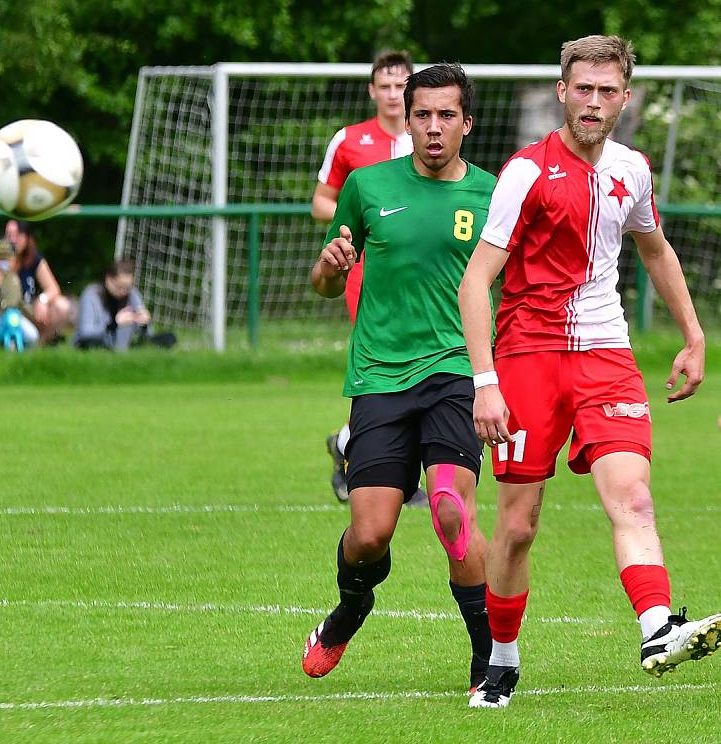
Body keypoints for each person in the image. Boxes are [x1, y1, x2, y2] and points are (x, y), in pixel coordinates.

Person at [458, 35, 721, 709]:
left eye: (607, 91)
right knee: (516, 528)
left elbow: (655, 250)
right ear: (561, 92)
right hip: (526, 360)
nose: (593, 102)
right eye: (583, 89)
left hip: (606, 356)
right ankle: (502, 660)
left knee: (631, 497)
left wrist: (693, 336)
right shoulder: (524, 172)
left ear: (624, 100)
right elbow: (476, 281)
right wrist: (485, 381)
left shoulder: (632, 169)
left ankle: (655, 626)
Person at [302, 63, 498, 693]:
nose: (434, 127)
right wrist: (331, 265)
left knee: (450, 509)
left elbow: (514, 286)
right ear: (406, 119)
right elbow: (327, 280)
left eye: (447, 115)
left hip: (455, 372)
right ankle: (351, 609)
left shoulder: (493, 194)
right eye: (423, 115)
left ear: (467, 123)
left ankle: (487, 658)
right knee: (369, 533)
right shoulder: (365, 186)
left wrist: (497, 373)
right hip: (380, 376)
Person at [312, 50, 427, 505]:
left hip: (419, 273)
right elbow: (323, 202)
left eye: (402, 85)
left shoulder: (429, 138)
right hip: (368, 272)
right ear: (372, 91)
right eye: (386, 86)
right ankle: (383, 467)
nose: (394, 95)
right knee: (390, 363)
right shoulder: (350, 140)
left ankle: (347, 442)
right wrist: (358, 220)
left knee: (417, 360)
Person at [5, 219, 73, 342]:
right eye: (9, 235)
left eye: (17, 235)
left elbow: (53, 288)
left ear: (27, 237)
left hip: (28, 309)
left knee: (62, 305)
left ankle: (41, 344)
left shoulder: (34, 258)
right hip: (6, 310)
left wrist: (42, 300)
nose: (13, 240)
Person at [73, 259, 152, 350]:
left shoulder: (132, 294)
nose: (123, 292)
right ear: (108, 279)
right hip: (91, 346)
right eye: (120, 287)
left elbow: (147, 335)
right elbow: (86, 333)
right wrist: (114, 323)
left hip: (119, 350)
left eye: (127, 288)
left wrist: (144, 324)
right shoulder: (91, 295)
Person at [0, 238, 39, 349]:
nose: (3, 263)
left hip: (13, 314)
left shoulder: (14, 278)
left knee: (32, 336)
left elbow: (19, 301)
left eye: (6, 259)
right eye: (0, 259)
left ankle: (22, 351)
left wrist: (31, 312)